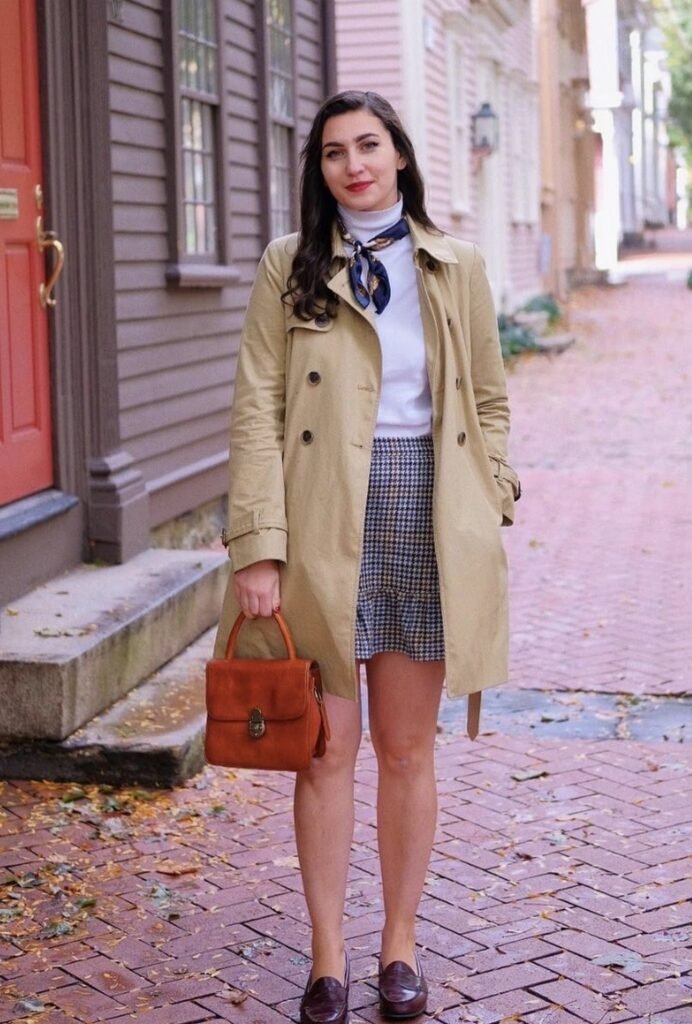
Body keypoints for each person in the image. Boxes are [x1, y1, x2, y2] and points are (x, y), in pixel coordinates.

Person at [213, 90, 520, 1024]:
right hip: (318, 520)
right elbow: (257, 411)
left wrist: (492, 492)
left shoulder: (455, 264)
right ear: (319, 170)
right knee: (324, 750)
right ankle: (328, 957)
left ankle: (398, 947)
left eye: (369, 145)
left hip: (429, 516)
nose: (354, 164)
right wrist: (258, 548)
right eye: (335, 151)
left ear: (398, 156)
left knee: (406, 747)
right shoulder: (288, 267)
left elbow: (492, 400)